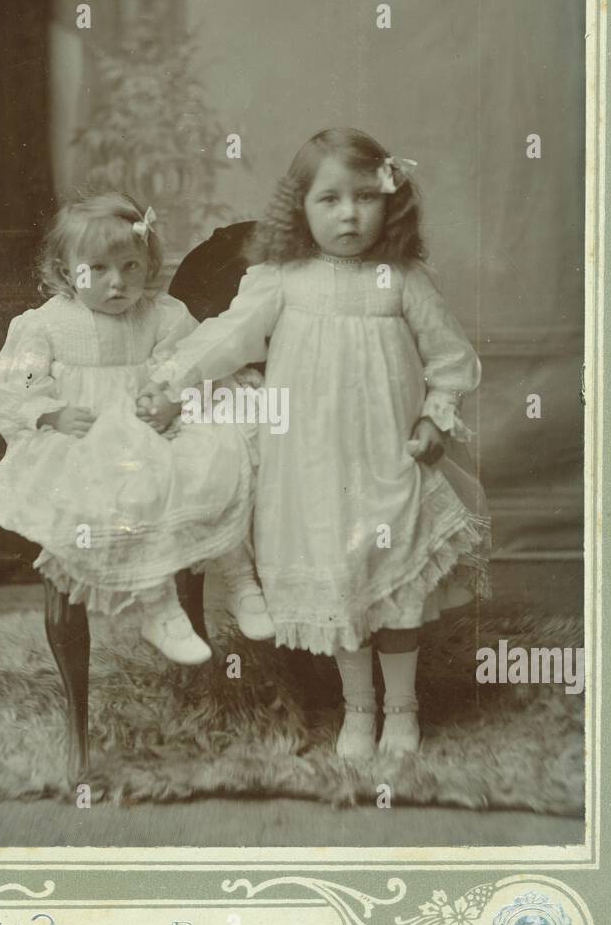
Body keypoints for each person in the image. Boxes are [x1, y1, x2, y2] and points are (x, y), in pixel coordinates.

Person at [138, 129, 491, 757]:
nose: (349, 214)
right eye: (329, 199)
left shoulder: (403, 278)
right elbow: (228, 338)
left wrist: (435, 418)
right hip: (310, 462)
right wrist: (174, 384)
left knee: (394, 585)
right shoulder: (283, 277)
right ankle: (359, 710)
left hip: (390, 456)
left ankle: (402, 709)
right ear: (299, 206)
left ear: (392, 202)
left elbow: (450, 358)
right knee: (341, 582)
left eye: (365, 197)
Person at [0, 191, 271, 667]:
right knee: (121, 482)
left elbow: (190, 366)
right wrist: (51, 414)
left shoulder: (164, 315)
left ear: (147, 262)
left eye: (130, 267)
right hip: (83, 438)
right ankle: (158, 607)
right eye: (97, 270)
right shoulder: (45, 326)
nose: (117, 283)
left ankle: (242, 581)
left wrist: (173, 404)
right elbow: (7, 390)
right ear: (63, 269)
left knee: (216, 456)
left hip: (157, 429)